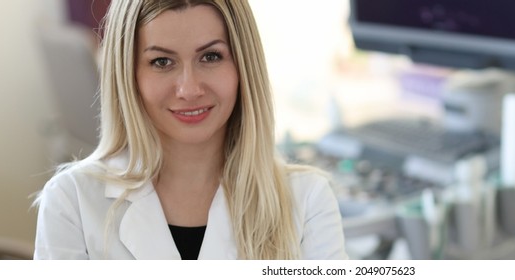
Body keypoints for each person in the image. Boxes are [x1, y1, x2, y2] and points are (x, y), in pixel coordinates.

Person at [33, 0, 348, 260]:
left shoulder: (308, 200)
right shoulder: (71, 201)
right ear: (129, 76)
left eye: (210, 56)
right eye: (161, 62)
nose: (189, 89)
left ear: (243, 67)